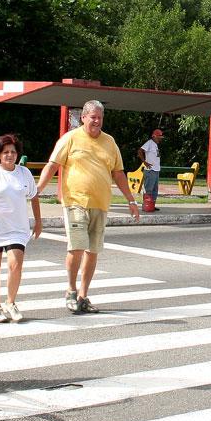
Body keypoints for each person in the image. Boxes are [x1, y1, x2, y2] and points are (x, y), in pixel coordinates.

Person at [37, 100, 140, 314]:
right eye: (93, 117)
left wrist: (131, 200)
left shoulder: (109, 142)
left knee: (92, 251)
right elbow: (53, 165)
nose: (96, 121)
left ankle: (83, 296)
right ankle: (71, 291)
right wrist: (37, 189)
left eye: (100, 118)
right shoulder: (70, 138)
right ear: (83, 117)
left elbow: (118, 173)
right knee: (76, 248)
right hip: (76, 202)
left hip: (100, 204)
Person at [0, 133, 42, 323]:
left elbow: (34, 196)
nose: (10, 155)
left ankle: (10, 302)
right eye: (5, 152)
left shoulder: (24, 173)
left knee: (15, 264)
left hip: (17, 229)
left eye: (13, 152)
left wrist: (38, 221)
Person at [137, 128, 164, 211]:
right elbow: (140, 151)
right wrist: (144, 162)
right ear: (154, 136)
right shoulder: (149, 143)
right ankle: (146, 206)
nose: (160, 139)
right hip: (150, 170)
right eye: (159, 137)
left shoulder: (155, 145)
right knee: (149, 189)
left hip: (156, 170)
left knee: (155, 190)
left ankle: (152, 205)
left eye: (161, 137)